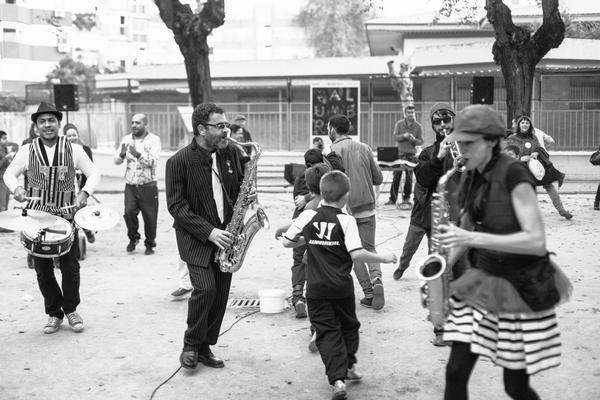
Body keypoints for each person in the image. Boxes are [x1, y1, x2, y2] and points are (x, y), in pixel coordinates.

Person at [437, 105, 571, 400]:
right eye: (460, 142)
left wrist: (473, 237)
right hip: (483, 277)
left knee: (515, 386)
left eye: (469, 143)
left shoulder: (514, 174)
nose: (462, 149)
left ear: (491, 141)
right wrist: (441, 264)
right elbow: (468, 224)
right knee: (455, 371)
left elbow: (535, 240)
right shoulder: (472, 172)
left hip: (521, 285)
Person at [281, 170, 397, 400]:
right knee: (349, 327)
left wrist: (309, 240)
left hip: (316, 290)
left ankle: (339, 379)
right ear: (345, 197)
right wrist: (383, 258)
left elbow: (287, 242)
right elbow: (357, 254)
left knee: (326, 333)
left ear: (320, 193)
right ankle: (347, 368)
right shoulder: (346, 220)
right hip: (341, 288)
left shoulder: (307, 215)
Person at [165, 102, 252, 370]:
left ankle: (204, 347)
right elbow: (176, 206)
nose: (227, 130)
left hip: (228, 236)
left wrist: (247, 195)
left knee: (220, 294)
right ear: (201, 129)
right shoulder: (178, 161)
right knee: (206, 289)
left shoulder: (230, 153)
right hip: (196, 238)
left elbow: (238, 185)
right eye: (220, 125)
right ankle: (190, 345)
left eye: (226, 124)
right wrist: (210, 232)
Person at [3, 102, 101, 334]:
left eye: (51, 121)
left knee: (70, 267)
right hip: (36, 219)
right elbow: (9, 174)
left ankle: (71, 310)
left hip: (66, 217)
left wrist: (84, 193)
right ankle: (54, 313)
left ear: (58, 123)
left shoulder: (74, 149)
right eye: (42, 121)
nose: (47, 125)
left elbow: (94, 173)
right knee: (43, 270)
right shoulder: (26, 150)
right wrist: (17, 189)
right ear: (36, 126)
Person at [329, 115, 385, 310]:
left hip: (346, 211)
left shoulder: (332, 151)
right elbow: (378, 178)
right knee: (370, 248)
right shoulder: (365, 148)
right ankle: (377, 279)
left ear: (332, 129)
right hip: (367, 208)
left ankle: (369, 293)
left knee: (355, 253)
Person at [506, 116, 572, 220]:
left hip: (535, 167)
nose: (525, 124)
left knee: (549, 185)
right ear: (519, 125)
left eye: (527, 123)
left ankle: (562, 210)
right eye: (522, 122)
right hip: (519, 168)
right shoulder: (511, 139)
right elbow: (507, 153)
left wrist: (536, 152)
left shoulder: (533, 137)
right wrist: (520, 158)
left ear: (530, 125)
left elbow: (539, 148)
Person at [114, 113, 161, 254]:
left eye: (138, 123)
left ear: (145, 124)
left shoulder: (154, 140)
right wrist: (122, 154)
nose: (134, 125)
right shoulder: (126, 139)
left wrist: (138, 155)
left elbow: (154, 162)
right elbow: (116, 161)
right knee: (128, 213)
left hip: (148, 185)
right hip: (131, 185)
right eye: (132, 122)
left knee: (150, 217)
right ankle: (133, 238)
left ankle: (149, 244)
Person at [63, 123, 96, 243]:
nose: (72, 137)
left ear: (78, 135)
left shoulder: (85, 149)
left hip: (81, 185)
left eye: (74, 135)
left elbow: (90, 168)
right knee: (68, 212)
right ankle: (71, 236)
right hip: (67, 186)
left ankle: (86, 230)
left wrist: (85, 189)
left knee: (80, 209)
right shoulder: (62, 150)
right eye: (69, 136)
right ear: (65, 137)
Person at [386, 104, 423, 208]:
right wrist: (403, 136)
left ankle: (406, 198)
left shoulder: (418, 126)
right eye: (409, 112)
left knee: (409, 178)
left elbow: (421, 141)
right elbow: (395, 137)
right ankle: (392, 199)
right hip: (399, 154)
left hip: (411, 155)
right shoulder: (399, 124)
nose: (411, 114)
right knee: (396, 177)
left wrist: (414, 140)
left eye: (412, 112)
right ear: (405, 114)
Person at [0, 130, 18, 216]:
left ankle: (4, 222)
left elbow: (15, 145)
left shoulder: (4, 148)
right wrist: (7, 157)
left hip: (5, 179)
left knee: (6, 205)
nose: (6, 141)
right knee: (2, 206)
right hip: (0, 180)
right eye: (4, 139)